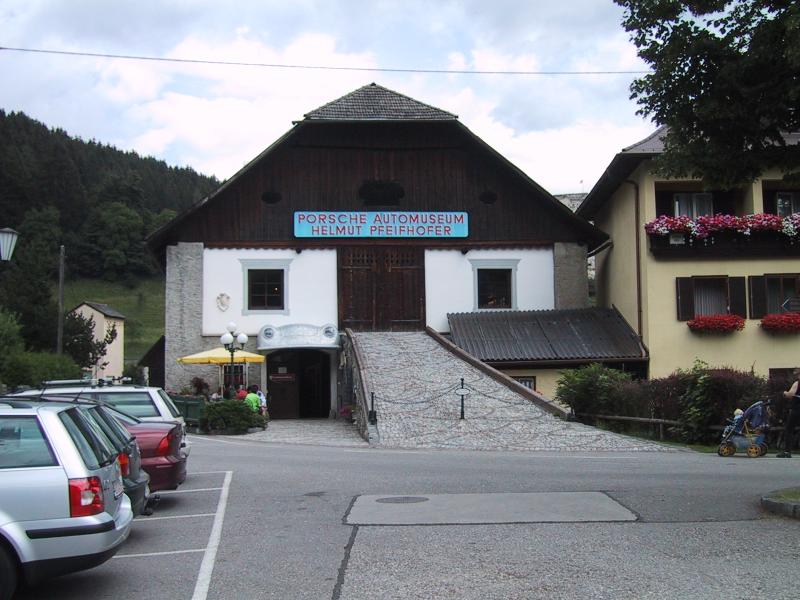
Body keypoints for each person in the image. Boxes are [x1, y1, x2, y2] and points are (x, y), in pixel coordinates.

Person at [778, 368, 800, 458]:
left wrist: (784, 393)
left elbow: (791, 394)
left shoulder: (797, 383)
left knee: (789, 430)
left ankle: (787, 452)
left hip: (797, 409)